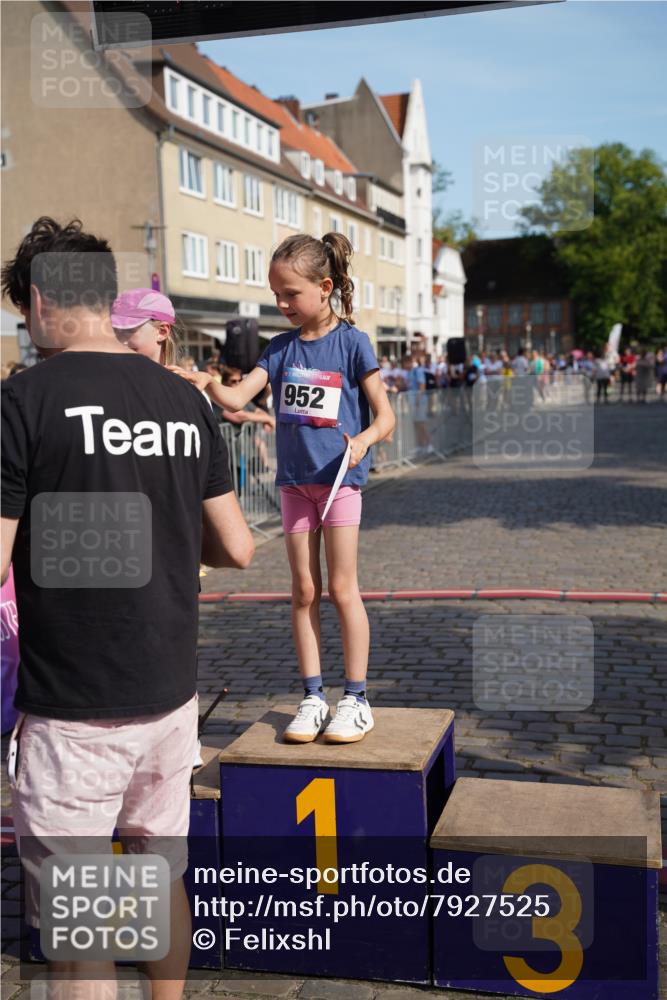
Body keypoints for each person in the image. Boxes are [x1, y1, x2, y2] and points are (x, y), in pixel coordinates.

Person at [0, 217, 254, 1000]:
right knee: (157, 874)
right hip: (168, 698)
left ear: (41, 301)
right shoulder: (182, 400)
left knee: (85, 936)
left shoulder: (22, 402)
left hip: (75, 707)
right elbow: (236, 547)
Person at [172, 232, 394, 745]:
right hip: (294, 485)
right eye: (276, 294)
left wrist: (362, 440)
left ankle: (356, 698)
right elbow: (236, 400)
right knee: (303, 591)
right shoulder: (278, 348)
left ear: (325, 287)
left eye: (291, 293)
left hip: (339, 483)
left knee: (342, 589)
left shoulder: (353, 343)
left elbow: (386, 417)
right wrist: (207, 382)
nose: (282, 304)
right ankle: (313, 696)